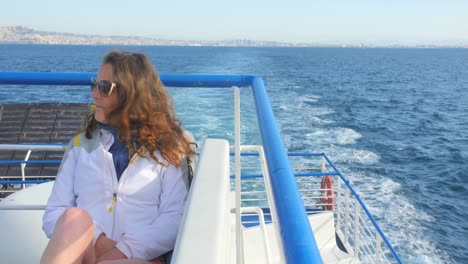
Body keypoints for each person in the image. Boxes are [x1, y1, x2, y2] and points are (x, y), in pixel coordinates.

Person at [41, 51, 194, 264]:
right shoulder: (80, 146)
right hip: (86, 254)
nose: (95, 94)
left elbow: (175, 219)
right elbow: (54, 213)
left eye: (104, 88)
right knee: (73, 219)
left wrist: (123, 251)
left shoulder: (169, 148)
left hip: (141, 258)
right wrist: (98, 241)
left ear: (131, 94)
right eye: (95, 85)